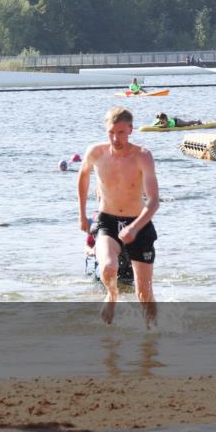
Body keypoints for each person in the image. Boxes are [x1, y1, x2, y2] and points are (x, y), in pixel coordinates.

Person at [78, 107, 159, 327]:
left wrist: (134, 227)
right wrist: (82, 214)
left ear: (131, 130)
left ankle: (151, 335)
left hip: (139, 223)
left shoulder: (143, 156)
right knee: (107, 267)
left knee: (144, 293)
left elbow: (153, 201)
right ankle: (112, 295)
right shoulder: (96, 152)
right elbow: (83, 175)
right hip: (107, 220)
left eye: (121, 132)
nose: (116, 139)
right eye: (111, 133)